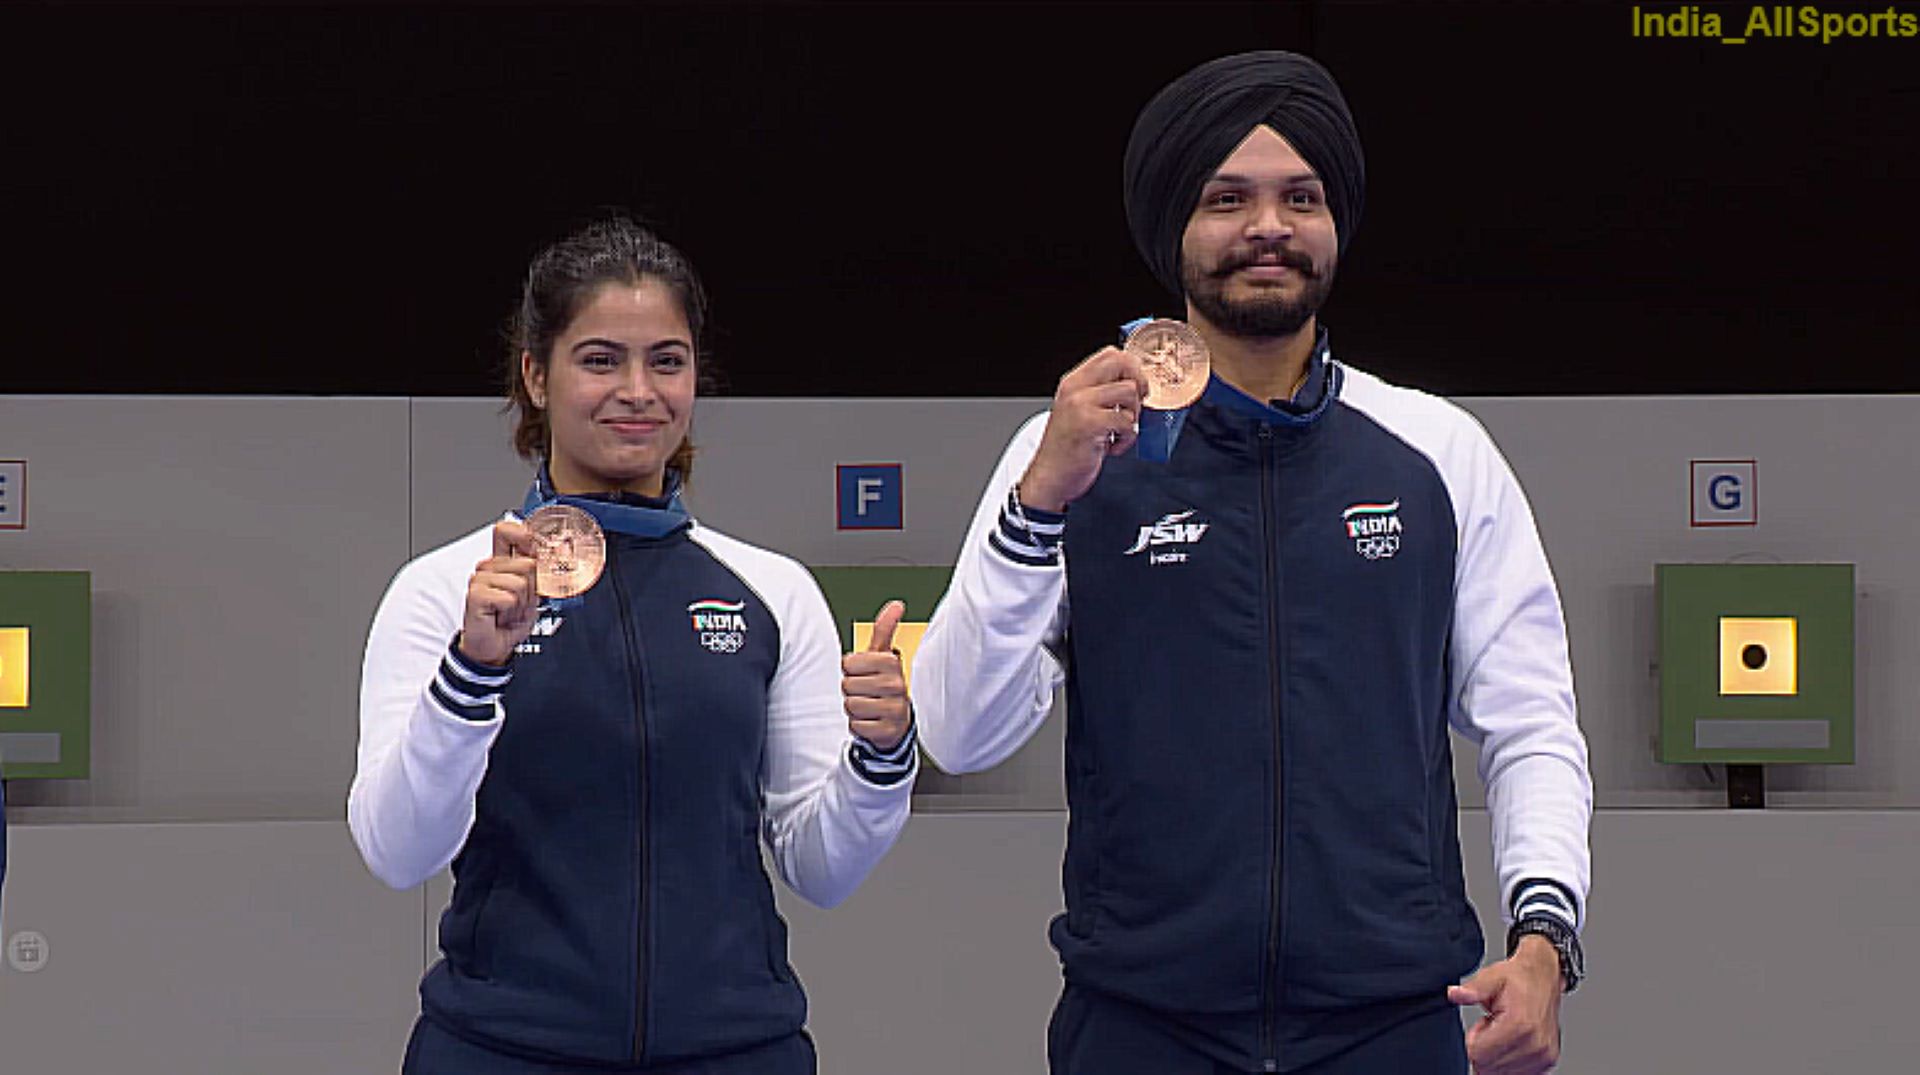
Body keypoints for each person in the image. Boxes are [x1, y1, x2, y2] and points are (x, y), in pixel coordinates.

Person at [912, 51, 1591, 1075]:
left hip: (1393, 1020)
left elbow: (1532, 723)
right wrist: (1038, 501)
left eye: (1299, 197)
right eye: (1228, 198)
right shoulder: (1066, 453)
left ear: (1335, 221)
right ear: (1171, 231)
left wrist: (1545, 942)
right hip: (1141, 1024)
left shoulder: (1438, 453)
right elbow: (960, 731)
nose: (1268, 226)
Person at [349, 216, 917, 1073]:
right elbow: (397, 851)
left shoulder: (769, 591)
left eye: (667, 360)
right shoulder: (445, 589)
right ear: (536, 376)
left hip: (737, 1048)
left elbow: (823, 866)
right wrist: (471, 675)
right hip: (504, 1048)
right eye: (601, 358)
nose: (638, 390)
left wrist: (882, 756)